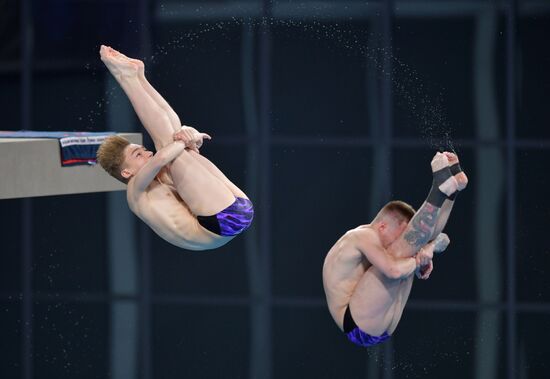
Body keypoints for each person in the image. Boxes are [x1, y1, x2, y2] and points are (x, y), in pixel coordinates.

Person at [96, 45, 253, 250]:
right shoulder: (135, 192)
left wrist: (188, 141)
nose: (148, 153)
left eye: (143, 150)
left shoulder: (161, 178)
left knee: (174, 141)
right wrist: (188, 138)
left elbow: (183, 162)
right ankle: (126, 78)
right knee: (170, 145)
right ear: (127, 172)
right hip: (222, 221)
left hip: (235, 210)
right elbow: (162, 156)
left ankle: (138, 77)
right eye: (138, 154)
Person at [322, 151, 468, 347]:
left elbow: (443, 239)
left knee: (419, 243)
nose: (402, 239)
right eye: (400, 233)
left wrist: (428, 248)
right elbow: (393, 270)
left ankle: (450, 193)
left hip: (377, 323)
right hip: (355, 322)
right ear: (383, 226)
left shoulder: (379, 243)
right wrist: (419, 258)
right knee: (404, 255)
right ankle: (440, 190)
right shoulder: (362, 236)